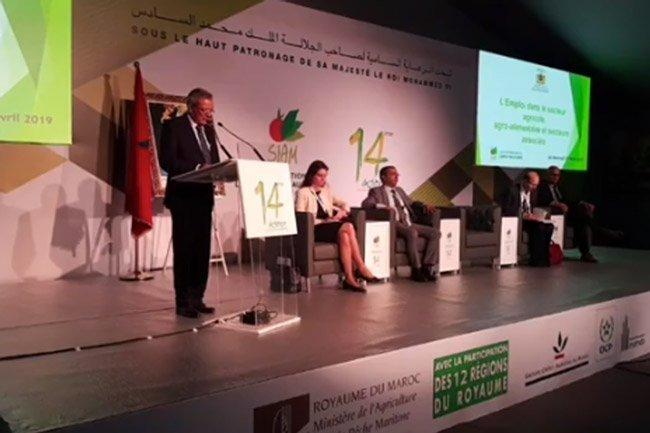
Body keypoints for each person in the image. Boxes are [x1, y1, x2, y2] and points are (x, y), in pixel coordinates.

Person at [160, 88, 220, 318]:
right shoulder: (174, 127)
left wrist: (218, 171)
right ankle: (183, 302)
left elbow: (214, 161)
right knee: (185, 250)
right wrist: (196, 168)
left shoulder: (210, 130)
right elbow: (167, 160)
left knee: (201, 251)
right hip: (184, 198)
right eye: (205, 110)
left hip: (204, 197)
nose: (209, 115)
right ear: (192, 107)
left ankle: (198, 298)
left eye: (211, 110)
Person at [296, 160, 378, 292]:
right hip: (314, 228)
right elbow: (300, 216)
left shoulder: (326, 191)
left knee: (345, 236)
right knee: (348, 227)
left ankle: (349, 279)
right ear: (312, 175)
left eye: (325, 176)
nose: (323, 179)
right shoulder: (303, 192)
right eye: (320, 176)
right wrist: (326, 221)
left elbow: (344, 203)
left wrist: (342, 211)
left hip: (331, 226)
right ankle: (361, 267)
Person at [362, 165, 439, 282]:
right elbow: (366, 204)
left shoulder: (399, 190)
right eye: (393, 174)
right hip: (395, 223)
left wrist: (424, 206)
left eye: (397, 174)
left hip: (408, 222)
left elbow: (411, 203)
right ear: (383, 177)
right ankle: (416, 269)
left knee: (435, 233)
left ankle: (427, 267)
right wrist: (383, 207)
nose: (397, 177)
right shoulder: (376, 191)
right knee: (412, 232)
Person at [537, 165, 622, 263]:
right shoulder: (542, 186)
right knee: (584, 218)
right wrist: (556, 203)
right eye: (553, 175)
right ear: (547, 175)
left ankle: (586, 253)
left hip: (565, 215)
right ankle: (605, 232)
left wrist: (582, 202)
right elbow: (542, 200)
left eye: (558, 175)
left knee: (584, 221)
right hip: (554, 215)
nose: (556, 177)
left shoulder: (558, 187)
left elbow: (567, 200)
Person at [500, 170, 553, 266]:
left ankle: (544, 258)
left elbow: (532, 208)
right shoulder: (512, 191)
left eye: (536, 185)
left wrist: (538, 215)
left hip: (530, 220)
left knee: (549, 227)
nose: (534, 188)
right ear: (524, 181)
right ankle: (535, 259)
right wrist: (523, 215)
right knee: (539, 228)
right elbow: (505, 209)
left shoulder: (532, 192)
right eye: (533, 185)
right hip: (518, 221)